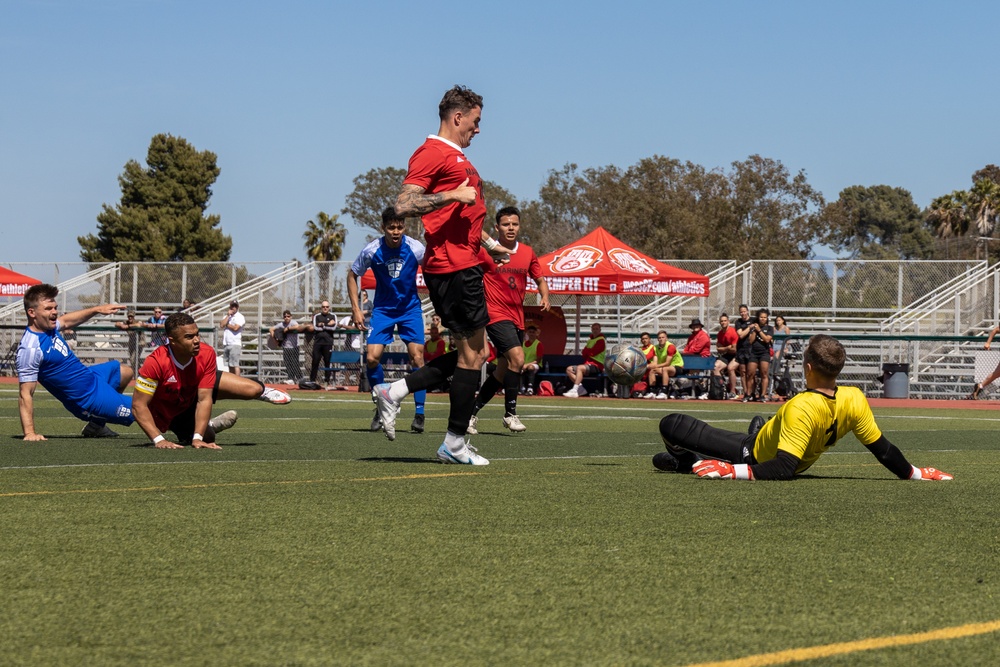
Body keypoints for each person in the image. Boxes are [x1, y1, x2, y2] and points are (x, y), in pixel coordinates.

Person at [372, 84, 509, 466]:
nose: (478, 129)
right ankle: (453, 442)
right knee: (475, 355)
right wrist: (452, 196)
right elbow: (402, 202)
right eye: (476, 121)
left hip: (464, 261)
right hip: (452, 267)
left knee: (475, 354)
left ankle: (397, 393)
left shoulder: (457, 157)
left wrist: (487, 245)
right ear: (458, 116)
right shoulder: (432, 151)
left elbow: (462, 215)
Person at [652, 334, 954, 482]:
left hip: (754, 453)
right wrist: (915, 473)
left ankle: (685, 461)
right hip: (792, 445)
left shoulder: (800, 406)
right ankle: (762, 427)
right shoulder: (855, 398)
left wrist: (731, 470)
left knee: (671, 423)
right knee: (765, 423)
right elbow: (883, 450)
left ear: (808, 368)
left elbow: (783, 468)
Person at [132, 312, 291, 449]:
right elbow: (138, 405)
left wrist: (197, 438)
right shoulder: (155, 362)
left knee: (253, 389)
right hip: (175, 410)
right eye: (189, 337)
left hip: (195, 388)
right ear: (172, 340)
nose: (196, 340)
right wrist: (159, 440)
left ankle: (263, 391)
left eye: (197, 334)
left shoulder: (206, 353)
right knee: (208, 437)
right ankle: (211, 425)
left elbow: (204, 398)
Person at [467, 206, 550, 433]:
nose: (510, 228)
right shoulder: (486, 251)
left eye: (514, 224)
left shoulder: (527, 252)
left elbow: (540, 278)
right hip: (494, 314)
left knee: (502, 372)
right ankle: (510, 414)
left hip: (517, 319)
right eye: (505, 224)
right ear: (497, 228)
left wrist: (544, 295)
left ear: (519, 226)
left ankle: (470, 414)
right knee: (518, 358)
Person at [347, 206, 428, 434]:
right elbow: (352, 275)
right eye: (391, 227)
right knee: (372, 358)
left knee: (417, 357)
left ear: (405, 227)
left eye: (399, 227)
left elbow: (433, 270)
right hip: (383, 310)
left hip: (410, 309)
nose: (395, 231)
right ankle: (382, 405)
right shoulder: (372, 250)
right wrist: (356, 308)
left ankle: (419, 413)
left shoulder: (416, 248)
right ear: (383, 228)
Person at [16, 283, 134, 440]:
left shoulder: (48, 328)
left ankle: (96, 426)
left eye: (55, 307)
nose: (54, 312)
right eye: (48, 309)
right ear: (32, 312)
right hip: (87, 399)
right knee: (142, 407)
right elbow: (25, 393)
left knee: (125, 371)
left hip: (92, 378)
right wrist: (30, 433)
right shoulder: (30, 348)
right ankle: (100, 412)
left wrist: (96, 310)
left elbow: (66, 321)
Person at [564, 323, 606, 398]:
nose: (595, 330)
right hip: (588, 364)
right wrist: (587, 351)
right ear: (591, 330)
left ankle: (574, 390)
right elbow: (584, 353)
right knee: (569, 369)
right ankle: (580, 388)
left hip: (597, 365)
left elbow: (593, 352)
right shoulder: (590, 340)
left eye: (597, 329)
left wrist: (587, 351)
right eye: (593, 329)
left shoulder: (601, 340)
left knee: (580, 368)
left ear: (600, 330)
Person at [745, 308, 774, 402]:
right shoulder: (754, 328)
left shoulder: (769, 328)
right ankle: (748, 394)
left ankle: (762, 395)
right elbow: (750, 340)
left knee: (764, 374)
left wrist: (760, 330)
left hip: (764, 353)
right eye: (761, 317)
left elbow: (766, 339)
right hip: (754, 353)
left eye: (765, 317)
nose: (763, 319)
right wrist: (754, 330)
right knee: (750, 374)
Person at [645, 330, 682, 399]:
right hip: (664, 367)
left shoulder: (670, 346)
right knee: (652, 370)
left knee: (665, 369)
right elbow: (655, 362)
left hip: (677, 367)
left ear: (666, 338)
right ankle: (652, 391)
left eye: (663, 337)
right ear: (657, 339)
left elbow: (667, 363)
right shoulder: (655, 348)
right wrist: (649, 366)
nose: (661, 339)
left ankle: (664, 392)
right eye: (659, 338)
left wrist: (655, 366)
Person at [270, 310, 303, 385]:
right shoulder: (281, 324)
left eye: (288, 316)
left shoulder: (293, 322)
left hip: (294, 347)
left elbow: (298, 326)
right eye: (285, 316)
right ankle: (291, 378)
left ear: (291, 317)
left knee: (295, 363)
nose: (286, 318)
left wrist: (288, 329)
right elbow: (271, 329)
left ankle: (300, 378)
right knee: (288, 364)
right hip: (286, 347)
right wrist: (274, 338)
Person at [309, 300, 337, 385]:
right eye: (323, 307)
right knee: (315, 361)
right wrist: (328, 324)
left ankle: (327, 381)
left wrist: (322, 325)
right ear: (321, 307)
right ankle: (312, 380)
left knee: (327, 362)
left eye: (327, 307)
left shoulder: (333, 316)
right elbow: (315, 328)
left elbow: (334, 328)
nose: (325, 308)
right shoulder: (317, 316)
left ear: (329, 307)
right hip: (318, 342)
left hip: (328, 342)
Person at [713, 314, 738, 397]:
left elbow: (734, 349)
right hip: (727, 355)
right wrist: (727, 347)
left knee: (730, 368)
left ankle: (732, 391)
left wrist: (723, 348)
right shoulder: (720, 334)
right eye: (721, 321)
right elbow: (718, 349)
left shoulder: (733, 332)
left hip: (737, 355)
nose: (723, 322)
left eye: (725, 321)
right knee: (715, 366)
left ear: (728, 322)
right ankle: (720, 389)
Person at [769, 314, 791, 400]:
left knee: (776, 356)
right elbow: (771, 340)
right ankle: (773, 370)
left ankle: (775, 369)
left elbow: (788, 340)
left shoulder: (786, 328)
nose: (778, 322)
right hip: (775, 346)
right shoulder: (774, 329)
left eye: (780, 320)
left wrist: (786, 348)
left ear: (783, 321)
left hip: (782, 346)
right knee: (771, 357)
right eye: (777, 320)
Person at [220, 300, 245, 377]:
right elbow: (221, 325)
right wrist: (228, 315)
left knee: (235, 364)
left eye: (235, 306)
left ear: (237, 307)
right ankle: (232, 381)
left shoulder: (240, 317)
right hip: (226, 343)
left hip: (235, 343)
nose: (233, 308)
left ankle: (238, 380)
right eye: (232, 306)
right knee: (229, 365)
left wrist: (227, 325)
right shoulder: (227, 316)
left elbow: (235, 328)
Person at [733, 304, 753, 399]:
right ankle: (746, 393)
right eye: (741, 312)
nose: (743, 313)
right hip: (741, 349)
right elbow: (740, 335)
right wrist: (749, 328)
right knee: (743, 372)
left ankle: (751, 392)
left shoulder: (753, 320)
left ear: (747, 311)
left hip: (752, 349)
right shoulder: (738, 322)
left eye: (744, 311)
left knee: (751, 372)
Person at [520, 325, 545, 395]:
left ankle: (530, 388)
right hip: (524, 364)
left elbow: (538, 360)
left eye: (533, 332)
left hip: (535, 364)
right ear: (527, 333)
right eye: (530, 332)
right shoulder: (523, 344)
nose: (531, 334)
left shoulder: (538, 344)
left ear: (536, 334)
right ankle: (521, 387)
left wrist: (526, 365)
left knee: (530, 367)